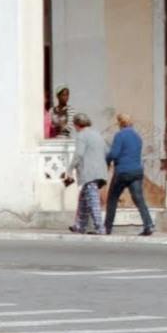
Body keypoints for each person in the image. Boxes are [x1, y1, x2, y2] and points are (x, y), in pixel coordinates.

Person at [55, 87, 101, 232]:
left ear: (76, 124)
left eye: (67, 94)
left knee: (92, 201)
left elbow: (78, 155)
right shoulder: (95, 134)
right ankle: (79, 225)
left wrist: (69, 171)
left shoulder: (82, 136)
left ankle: (100, 227)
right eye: (63, 94)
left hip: (90, 173)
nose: (65, 97)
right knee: (83, 200)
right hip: (94, 172)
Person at [101, 113, 153, 235]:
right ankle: (148, 225)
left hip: (122, 172)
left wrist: (107, 160)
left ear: (120, 123)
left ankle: (107, 227)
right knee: (139, 199)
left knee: (112, 198)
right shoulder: (137, 136)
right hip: (137, 171)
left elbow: (114, 154)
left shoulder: (119, 136)